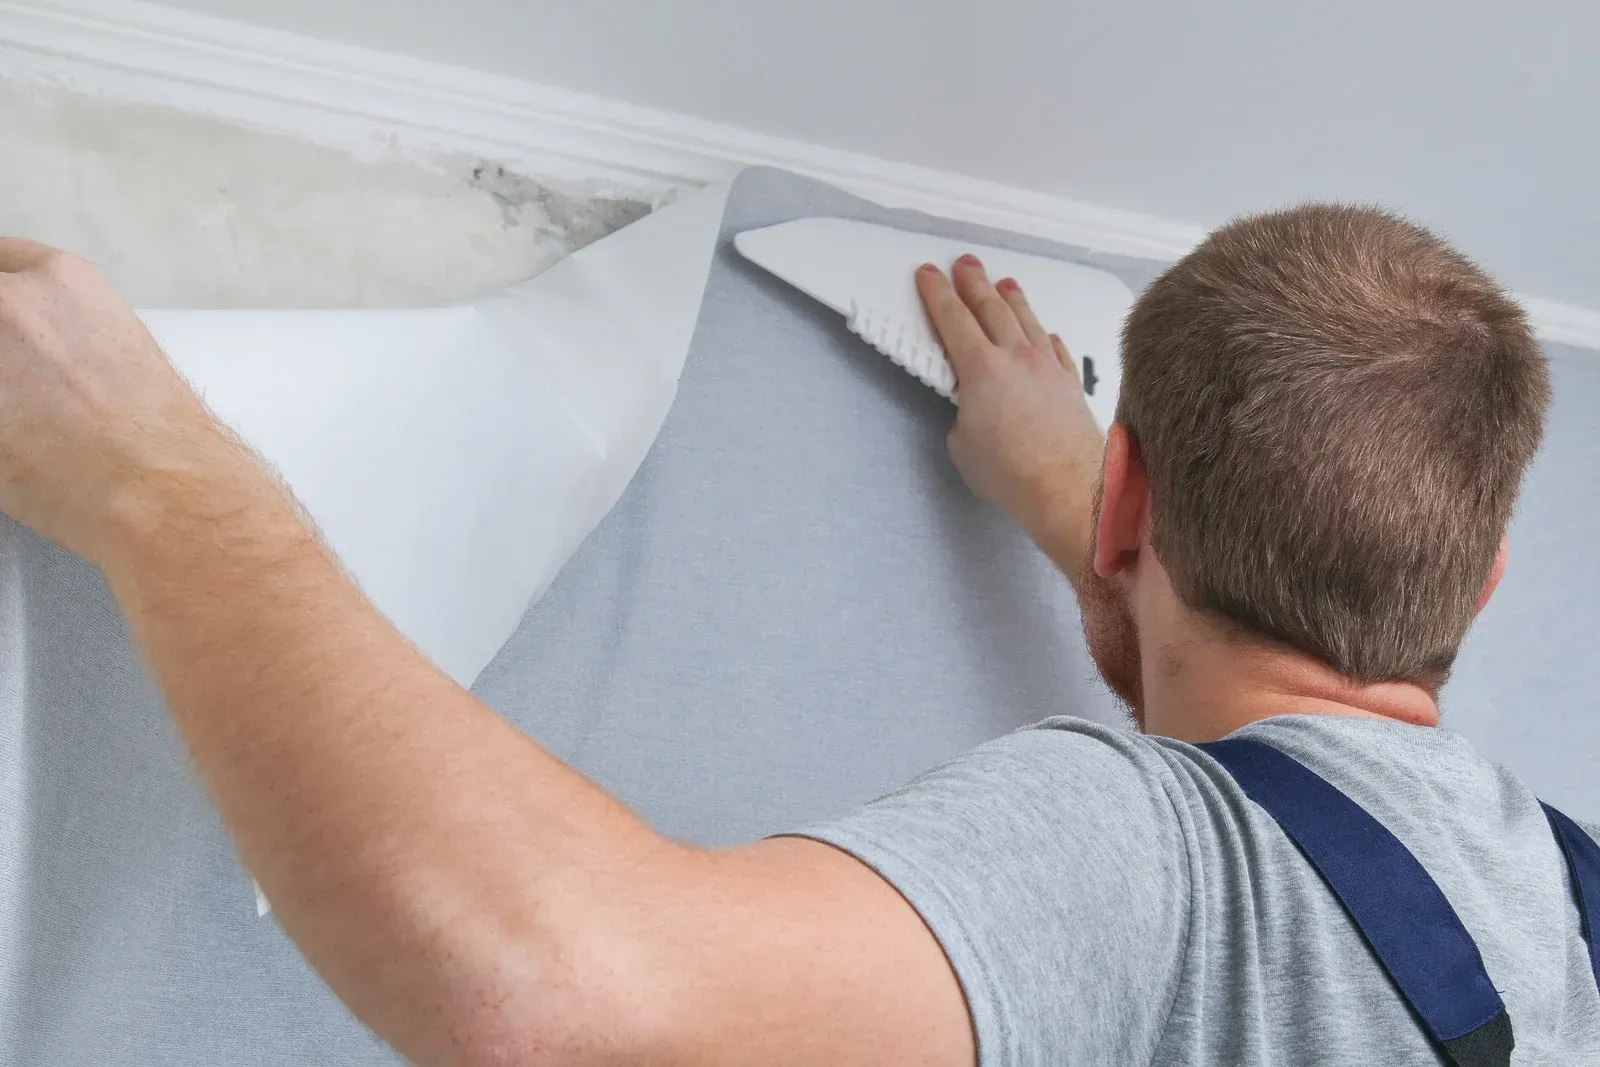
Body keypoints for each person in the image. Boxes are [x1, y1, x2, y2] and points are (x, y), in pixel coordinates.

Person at [0, 203, 1592, 1067]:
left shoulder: (1146, 856)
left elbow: (552, 1000)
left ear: (1130, 514)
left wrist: (153, 475)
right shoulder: (1560, 905)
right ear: (1489, 575)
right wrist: (1089, 516)